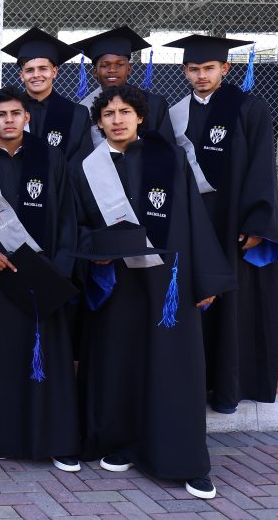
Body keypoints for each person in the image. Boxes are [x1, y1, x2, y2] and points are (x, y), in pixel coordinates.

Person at [71, 84, 234, 500]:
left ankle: (185, 460)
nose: (118, 119)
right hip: (119, 281)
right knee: (120, 362)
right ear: (99, 121)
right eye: (109, 114)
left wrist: (205, 279)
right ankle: (122, 442)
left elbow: (196, 220)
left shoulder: (170, 157)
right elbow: (78, 224)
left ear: (140, 116)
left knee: (173, 367)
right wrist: (95, 251)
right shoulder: (85, 167)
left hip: (169, 281)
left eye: (125, 111)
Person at [165, 34, 278, 413]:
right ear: (185, 71)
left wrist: (257, 221)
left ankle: (229, 387)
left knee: (232, 304)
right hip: (193, 222)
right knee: (194, 297)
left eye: (209, 69)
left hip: (233, 220)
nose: (201, 76)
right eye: (194, 69)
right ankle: (194, 383)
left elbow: (262, 166)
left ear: (225, 69)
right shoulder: (176, 113)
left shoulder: (249, 108)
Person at [0, 86, 80, 470]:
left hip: (44, 275)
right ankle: (1, 436)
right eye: (2, 114)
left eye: (16, 113)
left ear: (27, 118)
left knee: (52, 361)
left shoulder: (51, 158)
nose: (9, 120)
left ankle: (58, 440)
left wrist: (59, 268)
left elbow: (67, 216)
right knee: (0, 359)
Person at [72, 26, 174, 147]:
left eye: (120, 64)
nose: (112, 70)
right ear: (95, 72)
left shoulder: (153, 104)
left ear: (129, 69)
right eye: (105, 65)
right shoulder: (84, 108)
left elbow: (167, 147)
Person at [2, 28, 92, 162]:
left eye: (43, 69)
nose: (36, 75)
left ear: (54, 72)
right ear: (21, 75)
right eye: (29, 70)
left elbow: (81, 162)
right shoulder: (6, 112)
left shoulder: (77, 114)